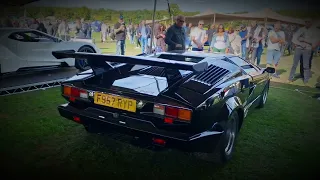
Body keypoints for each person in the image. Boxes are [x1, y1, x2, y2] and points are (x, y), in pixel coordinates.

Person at [288, 18, 319, 85]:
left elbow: (314, 42)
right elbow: (294, 39)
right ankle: (290, 78)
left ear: (311, 23)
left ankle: (306, 81)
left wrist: (303, 39)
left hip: (307, 50)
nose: (307, 23)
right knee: (294, 65)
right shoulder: (301, 29)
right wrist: (301, 43)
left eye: (308, 22)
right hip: (299, 48)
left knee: (306, 66)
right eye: (306, 22)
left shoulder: (314, 31)